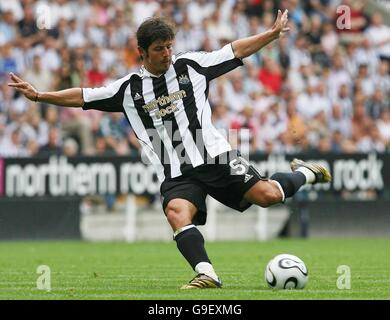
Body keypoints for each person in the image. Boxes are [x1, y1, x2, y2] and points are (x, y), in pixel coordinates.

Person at [8, 10, 331, 289]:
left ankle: (305, 172)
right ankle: (206, 273)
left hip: (216, 157)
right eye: (159, 49)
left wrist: (272, 35)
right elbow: (83, 95)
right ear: (142, 52)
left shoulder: (192, 66)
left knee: (268, 197)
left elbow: (234, 50)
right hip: (176, 170)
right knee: (176, 211)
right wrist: (39, 96)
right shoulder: (128, 90)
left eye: (168, 47)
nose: (166, 54)